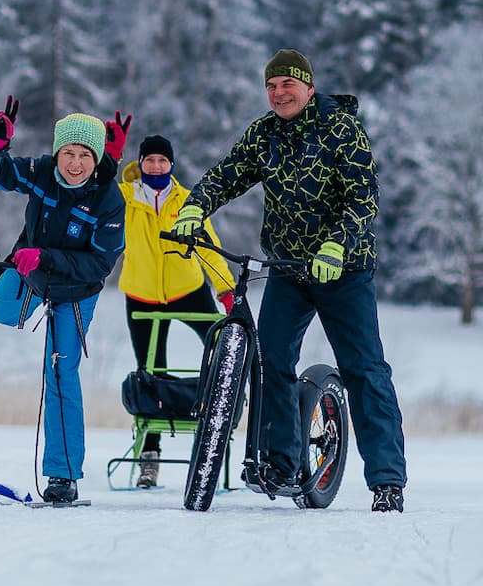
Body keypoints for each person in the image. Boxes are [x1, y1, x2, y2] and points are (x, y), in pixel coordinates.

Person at [173, 49, 410, 513]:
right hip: (288, 269)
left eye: (288, 85)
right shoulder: (264, 133)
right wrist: (195, 205)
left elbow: (365, 197)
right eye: (271, 86)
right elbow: (228, 173)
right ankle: (283, 464)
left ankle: (387, 480)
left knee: (364, 368)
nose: (279, 93)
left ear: (308, 86)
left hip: (344, 269)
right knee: (272, 360)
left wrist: (337, 244)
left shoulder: (341, 128)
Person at [0, 97, 127, 504]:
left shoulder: (109, 200)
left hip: (76, 292)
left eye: (85, 156)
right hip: (31, 272)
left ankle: (63, 474)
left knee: (59, 372)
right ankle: (24, 292)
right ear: (57, 153)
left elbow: (98, 265)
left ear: (96, 159)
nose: (75, 164)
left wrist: (46, 257)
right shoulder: (42, 172)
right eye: (68, 154)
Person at [118, 134, 236, 487]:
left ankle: (218, 430)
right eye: (149, 160)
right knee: (150, 372)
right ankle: (149, 460)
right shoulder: (126, 198)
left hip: (188, 288)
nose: (156, 166)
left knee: (223, 349)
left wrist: (225, 290)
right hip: (141, 293)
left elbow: (209, 248)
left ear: (173, 164)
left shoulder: (187, 201)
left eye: (162, 161)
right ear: (140, 163)